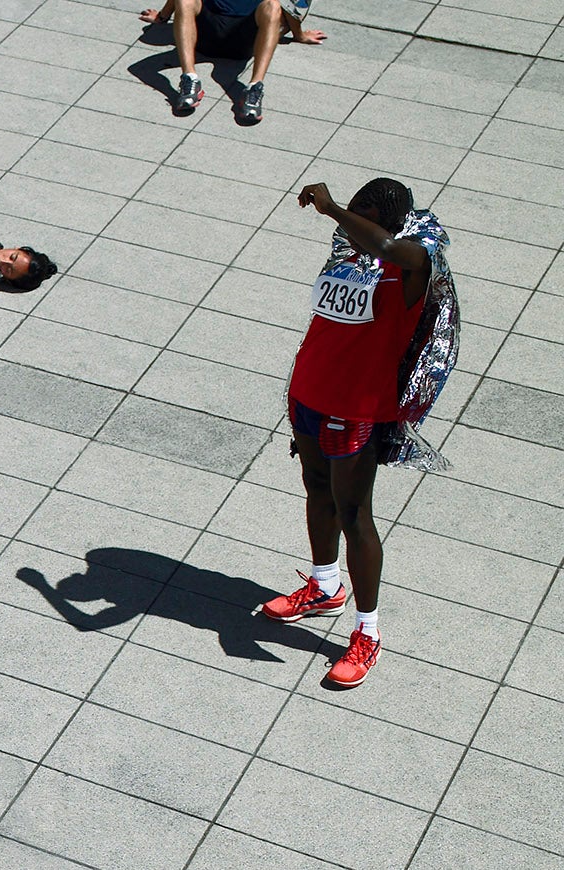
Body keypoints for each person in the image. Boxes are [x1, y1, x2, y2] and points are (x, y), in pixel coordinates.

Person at [261, 178, 459, 690]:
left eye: (364, 210)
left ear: (386, 216)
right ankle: (325, 588)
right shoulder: (350, 255)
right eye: (354, 207)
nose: (354, 215)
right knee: (317, 492)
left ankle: (367, 633)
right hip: (308, 393)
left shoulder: (414, 263)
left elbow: (389, 245)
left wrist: (329, 209)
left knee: (355, 515)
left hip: (355, 409)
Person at [138, 0, 325, 123]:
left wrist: (299, 35)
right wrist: (163, 16)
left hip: (244, 40)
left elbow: (294, 7)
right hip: (205, 34)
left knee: (273, 6)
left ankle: (254, 87)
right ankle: (190, 79)